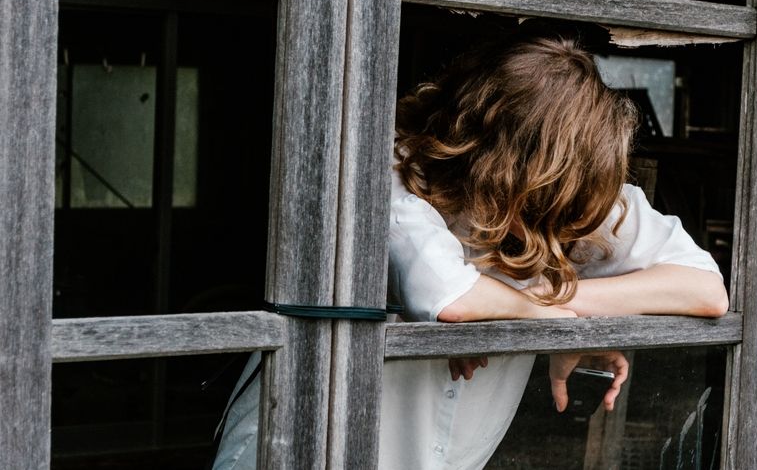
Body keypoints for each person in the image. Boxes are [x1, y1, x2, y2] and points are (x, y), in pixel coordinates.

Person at [213, 34, 728, 470]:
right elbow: (451, 299)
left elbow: (705, 290)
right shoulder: (392, 166)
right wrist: (558, 324)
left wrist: (560, 313)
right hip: (303, 447)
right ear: (512, 158)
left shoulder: (582, 187)